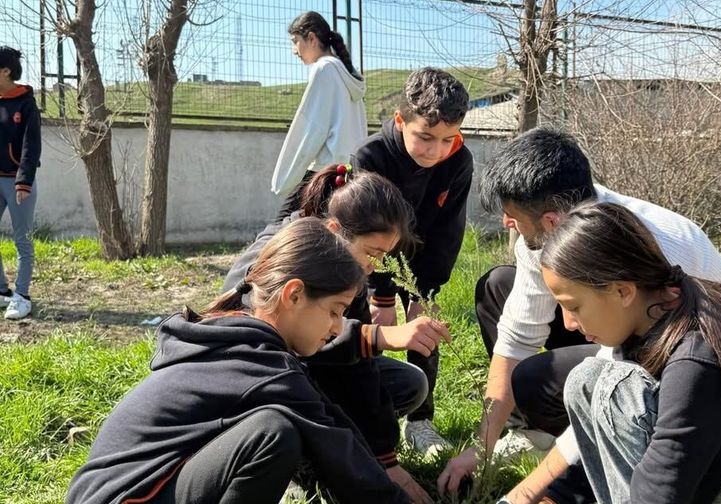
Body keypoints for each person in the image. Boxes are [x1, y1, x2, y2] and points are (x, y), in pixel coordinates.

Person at [439, 127, 721, 500]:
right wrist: (482, 448)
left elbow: (609, 388)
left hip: (691, 355)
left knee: (576, 386)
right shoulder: (554, 234)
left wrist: (530, 491)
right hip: (632, 334)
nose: (506, 223)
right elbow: (516, 337)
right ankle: (533, 436)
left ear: (551, 221)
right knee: (500, 286)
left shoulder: (635, 248)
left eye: (512, 216)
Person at [66, 218, 412, 504]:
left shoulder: (239, 338)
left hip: (114, 492)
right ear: (294, 294)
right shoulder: (262, 364)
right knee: (273, 434)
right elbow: (335, 445)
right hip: (127, 496)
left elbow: (328, 417)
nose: (337, 328)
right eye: (335, 311)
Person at [532, 201, 721, 504]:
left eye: (573, 306)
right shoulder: (658, 314)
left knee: (614, 389)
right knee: (587, 381)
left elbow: (663, 494)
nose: (568, 323)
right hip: (720, 478)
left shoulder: (700, 356)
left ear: (623, 291)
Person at [227, 164, 447, 502]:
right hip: (260, 383)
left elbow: (358, 369)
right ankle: (298, 462)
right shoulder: (284, 255)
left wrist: (384, 458)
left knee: (408, 384)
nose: (375, 266)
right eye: (372, 253)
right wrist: (376, 337)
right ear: (335, 230)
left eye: (384, 256)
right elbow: (273, 354)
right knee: (306, 408)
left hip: (306, 367)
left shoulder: (344, 263)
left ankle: (327, 450)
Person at [350, 67, 473, 457]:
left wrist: (424, 292)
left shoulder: (459, 161)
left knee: (426, 328)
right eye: (425, 137)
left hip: (424, 257)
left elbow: (448, 232)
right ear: (401, 121)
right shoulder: (371, 157)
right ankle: (370, 417)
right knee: (371, 330)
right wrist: (381, 296)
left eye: (448, 139)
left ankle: (420, 421)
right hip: (375, 261)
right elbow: (369, 232)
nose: (436, 151)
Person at [270, 11, 367, 208]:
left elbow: (311, 129)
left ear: (312, 38)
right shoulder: (346, 73)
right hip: (348, 173)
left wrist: (285, 178)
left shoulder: (324, 69)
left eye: (295, 41)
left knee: (285, 223)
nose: (294, 50)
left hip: (325, 174)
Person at [0, 46, 40, 320]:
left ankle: (22, 296)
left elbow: (31, 145)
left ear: (5, 71)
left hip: (18, 183)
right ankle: (2, 291)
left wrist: (24, 181)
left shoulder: (26, 103)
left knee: (22, 240)